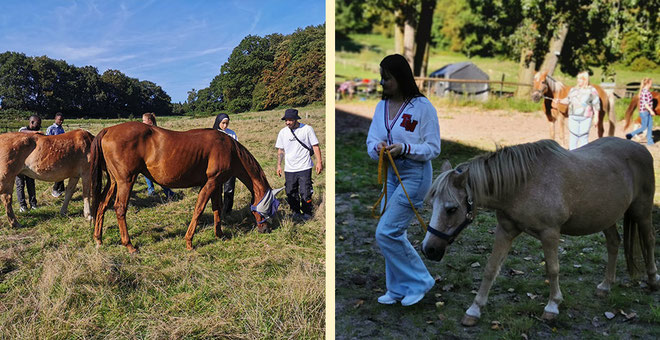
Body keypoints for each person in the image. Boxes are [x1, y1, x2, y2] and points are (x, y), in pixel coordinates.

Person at [366, 54, 441, 306]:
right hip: (390, 173)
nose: (382, 83)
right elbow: (371, 140)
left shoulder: (422, 107)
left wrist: (406, 149)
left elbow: (433, 147)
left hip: (415, 175)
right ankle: (397, 288)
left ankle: (420, 281)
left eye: (387, 78)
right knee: (393, 231)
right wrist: (378, 148)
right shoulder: (381, 107)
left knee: (386, 232)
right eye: (381, 77)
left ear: (400, 78)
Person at [275, 108, 323, 220]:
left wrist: (319, 162)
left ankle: (307, 213)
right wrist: (278, 165)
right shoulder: (283, 132)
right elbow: (280, 150)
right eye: (286, 120)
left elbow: (315, 146)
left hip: (304, 167)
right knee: (291, 191)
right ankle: (295, 212)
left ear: (296, 119)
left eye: (290, 120)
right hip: (289, 168)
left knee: (305, 191)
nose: (287, 122)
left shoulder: (307, 129)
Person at [553, 71, 600, 150]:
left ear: (585, 80)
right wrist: (560, 101)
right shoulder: (573, 90)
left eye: (580, 79)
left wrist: (596, 117)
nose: (578, 80)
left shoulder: (592, 90)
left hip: (586, 117)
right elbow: (568, 100)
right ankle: (572, 155)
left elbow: (596, 104)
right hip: (573, 117)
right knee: (573, 138)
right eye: (577, 78)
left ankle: (583, 156)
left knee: (583, 138)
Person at [141, 113, 175, 199]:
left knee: (157, 175)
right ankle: (152, 190)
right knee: (148, 174)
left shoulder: (155, 131)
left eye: (144, 120)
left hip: (157, 157)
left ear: (149, 121)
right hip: (150, 156)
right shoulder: (148, 131)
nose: (142, 122)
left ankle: (168, 192)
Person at [16, 115, 42, 212]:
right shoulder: (22, 130)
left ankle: (33, 203)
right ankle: (22, 205)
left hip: (30, 163)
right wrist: (36, 132)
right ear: (31, 123)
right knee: (20, 184)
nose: (39, 126)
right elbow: (22, 132)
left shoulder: (36, 131)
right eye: (37, 124)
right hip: (19, 162)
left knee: (31, 183)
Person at [212, 113, 238, 215]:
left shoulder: (231, 134)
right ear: (218, 122)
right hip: (216, 167)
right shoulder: (213, 134)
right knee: (216, 190)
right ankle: (217, 210)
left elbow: (236, 150)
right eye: (223, 123)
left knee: (229, 189)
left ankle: (227, 211)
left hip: (229, 166)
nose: (225, 126)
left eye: (227, 123)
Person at [626, 77, 655, 146]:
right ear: (647, 83)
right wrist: (651, 111)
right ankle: (630, 134)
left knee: (650, 126)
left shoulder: (647, 91)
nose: (652, 84)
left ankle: (650, 142)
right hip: (644, 112)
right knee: (644, 127)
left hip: (647, 112)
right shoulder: (644, 92)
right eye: (651, 83)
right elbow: (645, 104)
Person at [46, 112, 66, 197]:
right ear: (55, 119)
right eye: (59, 120)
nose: (61, 121)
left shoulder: (61, 129)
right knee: (59, 171)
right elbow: (47, 140)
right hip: (53, 151)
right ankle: (55, 189)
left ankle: (61, 189)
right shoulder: (51, 128)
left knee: (63, 170)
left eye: (62, 120)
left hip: (61, 151)